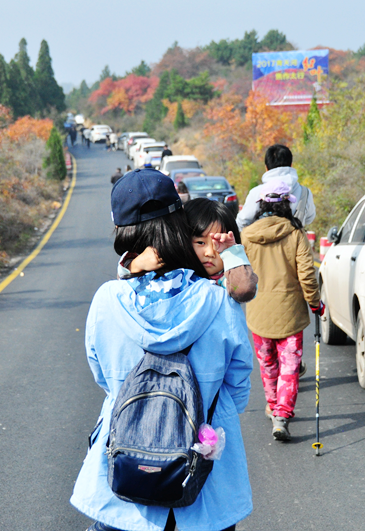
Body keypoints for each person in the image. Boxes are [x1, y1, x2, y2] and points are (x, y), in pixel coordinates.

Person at [71, 168, 253, 531]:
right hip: (203, 481)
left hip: (125, 478)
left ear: (124, 233)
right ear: (178, 225)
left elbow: (104, 378)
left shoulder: (107, 299)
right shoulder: (219, 303)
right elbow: (239, 391)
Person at [241, 180, 323, 441]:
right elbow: (307, 275)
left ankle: (272, 405)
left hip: (257, 312)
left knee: (268, 365)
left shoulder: (247, 235)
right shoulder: (295, 234)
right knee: (289, 367)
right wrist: (314, 303)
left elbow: (239, 275)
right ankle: (282, 415)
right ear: (288, 204)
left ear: (261, 204)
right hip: (289, 312)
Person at [123, 197, 258, 304]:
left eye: (219, 246)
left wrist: (232, 253)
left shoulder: (226, 281)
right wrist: (136, 264)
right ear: (182, 240)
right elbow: (126, 283)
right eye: (200, 242)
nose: (210, 253)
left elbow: (244, 289)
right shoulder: (171, 272)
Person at [236, 144, 316, 230]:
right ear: (291, 165)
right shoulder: (305, 193)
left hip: (262, 241)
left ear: (266, 168)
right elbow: (309, 219)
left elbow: (242, 222)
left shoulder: (257, 192)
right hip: (295, 242)